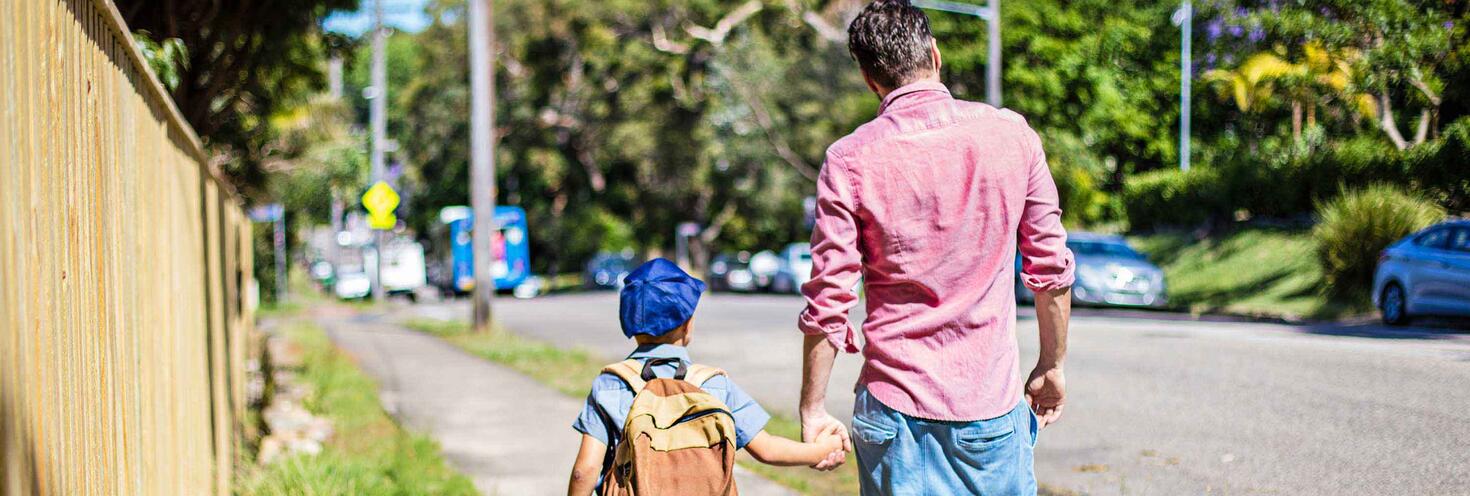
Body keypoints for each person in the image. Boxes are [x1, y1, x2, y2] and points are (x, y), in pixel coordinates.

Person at [796, 1, 1077, 494]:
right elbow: (1050, 268)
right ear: (936, 54)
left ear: (869, 79)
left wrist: (813, 408)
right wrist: (1051, 367)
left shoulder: (848, 159)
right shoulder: (1013, 135)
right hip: (990, 406)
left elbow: (829, 299)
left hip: (894, 408)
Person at [568, 258, 845, 495]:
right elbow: (767, 449)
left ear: (627, 323)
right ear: (688, 325)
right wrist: (822, 449)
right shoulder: (712, 384)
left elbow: (585, 470)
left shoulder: (611, 384)